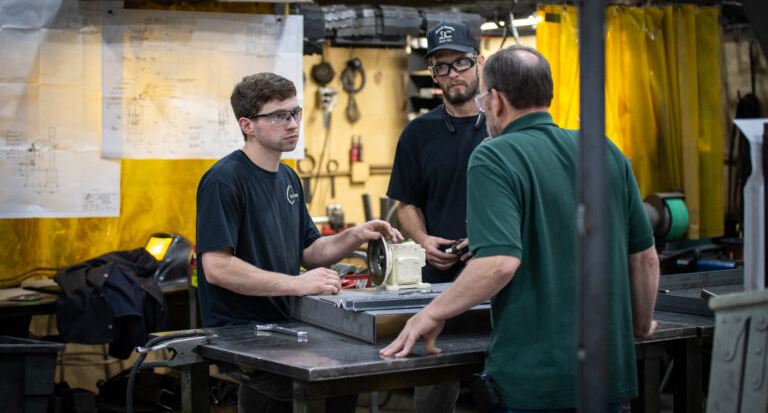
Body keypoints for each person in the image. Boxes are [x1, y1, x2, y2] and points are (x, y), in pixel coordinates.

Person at [381, 46, 660, 412]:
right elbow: (645, 259)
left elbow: (498, 262)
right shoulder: (604, 149)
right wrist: (639, 326)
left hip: (535, 379)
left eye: (484, 100)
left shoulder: (494, 154)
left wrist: (431, 313)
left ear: (496, 100)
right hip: (607, 375)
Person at [196, 72, 403, 413]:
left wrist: (353, 236)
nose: (292, 124)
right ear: (247, 125)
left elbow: (310, 251)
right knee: (306, 390)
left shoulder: (289, 177)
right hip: (243, 333)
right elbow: (217, 268)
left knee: (346, 381)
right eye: (278, 115)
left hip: (287, 325)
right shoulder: (224, 180)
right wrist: (296, 284)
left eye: (295, 112)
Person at [386, 21, 488, 413]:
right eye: (441, 67)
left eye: (460, 62)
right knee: (434, 384)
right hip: (438, 283)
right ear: (433, 74)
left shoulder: (502, 128)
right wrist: (424, 241)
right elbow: (406, 203)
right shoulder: (417, 134)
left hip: (500, 278)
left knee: (500, 380)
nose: (453, 74)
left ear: (479, 62)